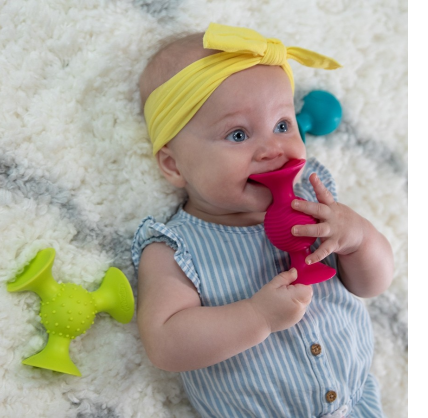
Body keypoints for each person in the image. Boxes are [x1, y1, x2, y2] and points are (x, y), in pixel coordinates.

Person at [131, 23, 394, 418]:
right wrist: (256, 316)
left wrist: (359, 239)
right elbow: (165, 344)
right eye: (238, 135)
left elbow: (372, 285)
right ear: (174, 165)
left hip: (357, 406)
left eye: (282, 125)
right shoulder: (174, 249)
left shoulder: (316, 205)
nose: (272, 148)